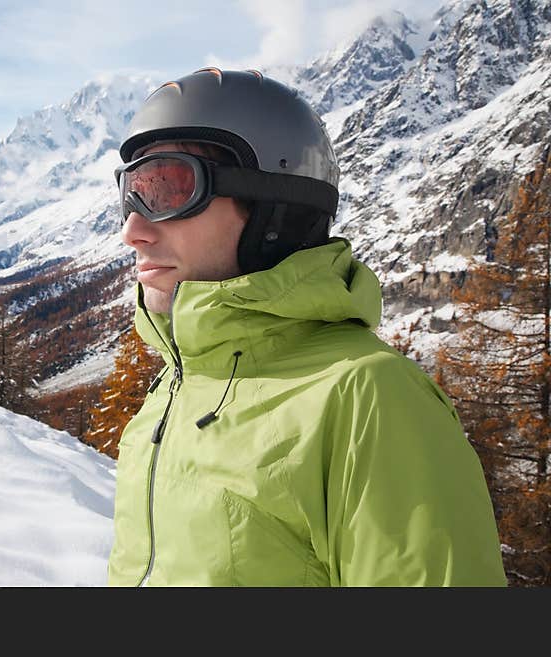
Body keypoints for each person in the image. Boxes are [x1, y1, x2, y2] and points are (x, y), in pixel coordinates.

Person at [106, 67, 507, 586]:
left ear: (275, 209)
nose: (131, 230)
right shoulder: (177, 385)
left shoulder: (369, 400)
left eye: (169, 189)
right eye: (132, 192)